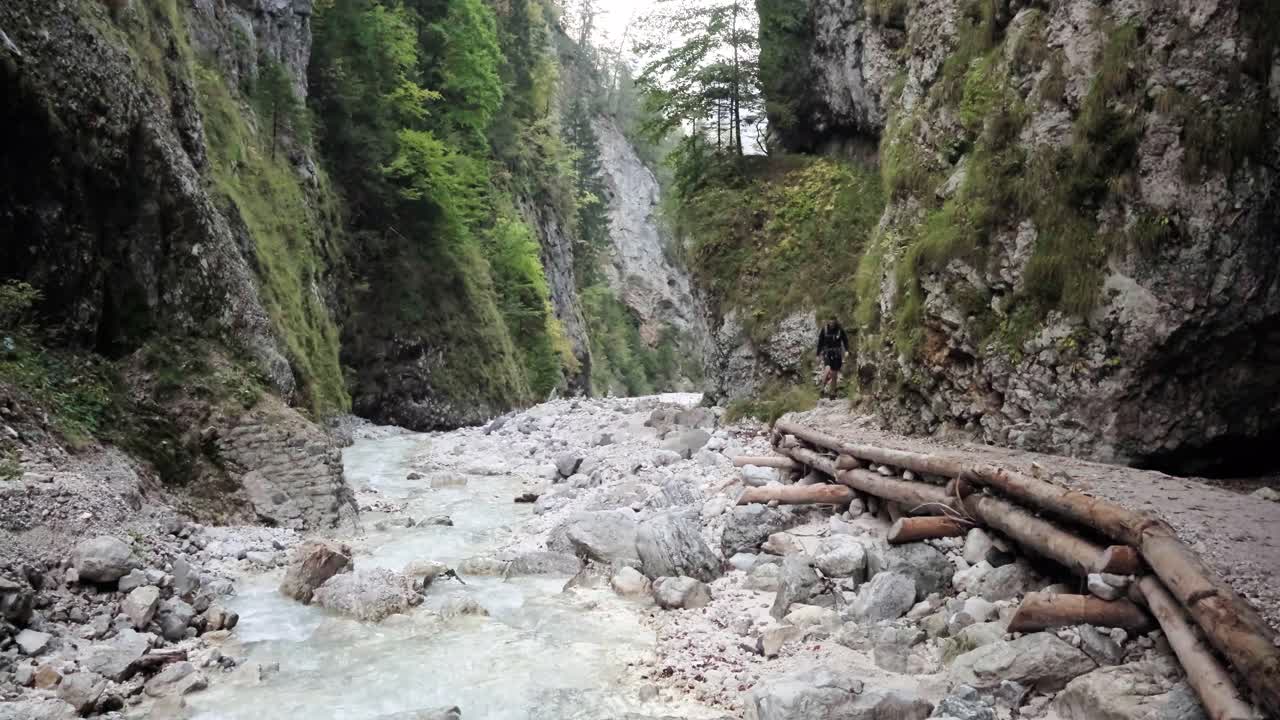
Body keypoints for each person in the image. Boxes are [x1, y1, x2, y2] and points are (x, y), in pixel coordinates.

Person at [816, 317, 849, 399]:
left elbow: (845, 340)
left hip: (837, 354)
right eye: (830, 323)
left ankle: (832, 393)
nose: (832, 324)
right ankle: (822, 387)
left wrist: (846, 350)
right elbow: (820, 342)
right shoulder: (825, 330)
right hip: (827, 353)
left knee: (834, 374)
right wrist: (818, 354)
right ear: (828, 322)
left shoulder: (840, 330)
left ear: (835, 322)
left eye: (833, 323)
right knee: (827, 368)